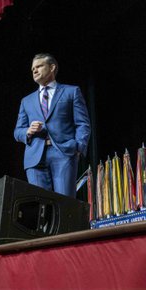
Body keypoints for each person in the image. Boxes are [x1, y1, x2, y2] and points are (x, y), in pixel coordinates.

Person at [13, 53, 91, 197]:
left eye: (39, 66)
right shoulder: (26, 101)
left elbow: (83, 123)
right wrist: (28, 131)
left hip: (63, 152)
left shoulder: (71, 92)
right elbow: (17, 131)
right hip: (35, 158)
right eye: (33, 69)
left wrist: (79, 146)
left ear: (52, 67)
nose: (35, 71)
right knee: (40, 205)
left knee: (64, 202)